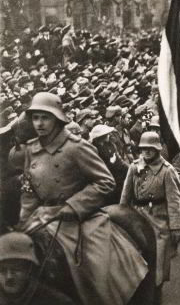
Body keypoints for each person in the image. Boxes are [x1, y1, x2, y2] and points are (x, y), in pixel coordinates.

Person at [19, 92, 148, 305]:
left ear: (57, 118)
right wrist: (24, 219)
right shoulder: (31, 150)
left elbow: (106, 182)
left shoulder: (76, 146)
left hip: (80, 219)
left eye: (45, 117)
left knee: (97, 270)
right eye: (35, 117)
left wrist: (70, 207)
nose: (40, 123)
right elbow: (29, 190)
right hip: (42, 218)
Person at [120, 131, 180, 304]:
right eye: (144, 149)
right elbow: (125, 196)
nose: (147, 152)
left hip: (159, 220)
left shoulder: (167, 171)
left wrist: (176, 226)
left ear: (157, 149)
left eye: (150, 148)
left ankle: (156, 295)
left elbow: (174, 200)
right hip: (137, 218)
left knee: (158, 263)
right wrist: (121, 217)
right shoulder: (134, 168)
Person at [0, 232, 75, 305]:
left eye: (16, 269)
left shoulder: (57, 302)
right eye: (2, 270)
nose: (9, 276)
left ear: (29, 269)